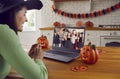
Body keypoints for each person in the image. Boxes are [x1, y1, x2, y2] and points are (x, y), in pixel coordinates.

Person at [0, 0, 48, 79]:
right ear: (13, 12)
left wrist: (26, 58)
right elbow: (40, 77)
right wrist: (38, 58)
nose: (26, 19)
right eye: (25, 13)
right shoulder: (3, 32)